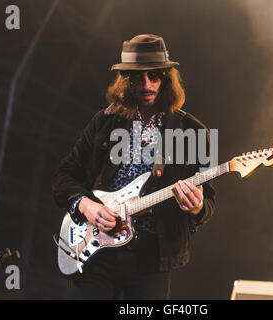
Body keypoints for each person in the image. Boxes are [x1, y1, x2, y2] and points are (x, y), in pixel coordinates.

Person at [52, 34, 215, 299]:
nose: (146, 84)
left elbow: (207, 202)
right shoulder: (104, 122)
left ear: (166, 79)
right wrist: (87, 206)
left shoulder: (192, 132)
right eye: (138, 78)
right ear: (125, 81)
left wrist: (196, 207)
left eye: (154, 76)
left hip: (152, 258)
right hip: (96, 252)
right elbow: (64, 175)